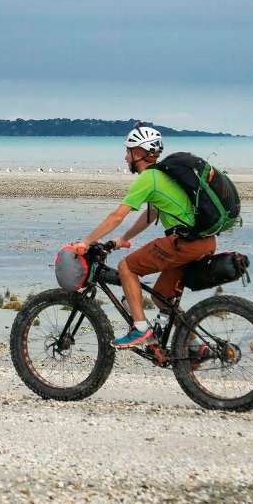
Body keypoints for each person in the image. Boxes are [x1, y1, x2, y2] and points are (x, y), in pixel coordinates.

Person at [77, 124, 217, 348]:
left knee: (127, 268)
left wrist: (86, 242)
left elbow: (117, 215)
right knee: (161, 297)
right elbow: (152, 213)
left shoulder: (149, 177)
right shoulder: (163, 176)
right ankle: (194, 346)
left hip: (185, 243)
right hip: (204, 241)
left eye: (128, 151)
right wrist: (123, 238)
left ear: (139, 154)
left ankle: (141, 329)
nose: (125, 157)